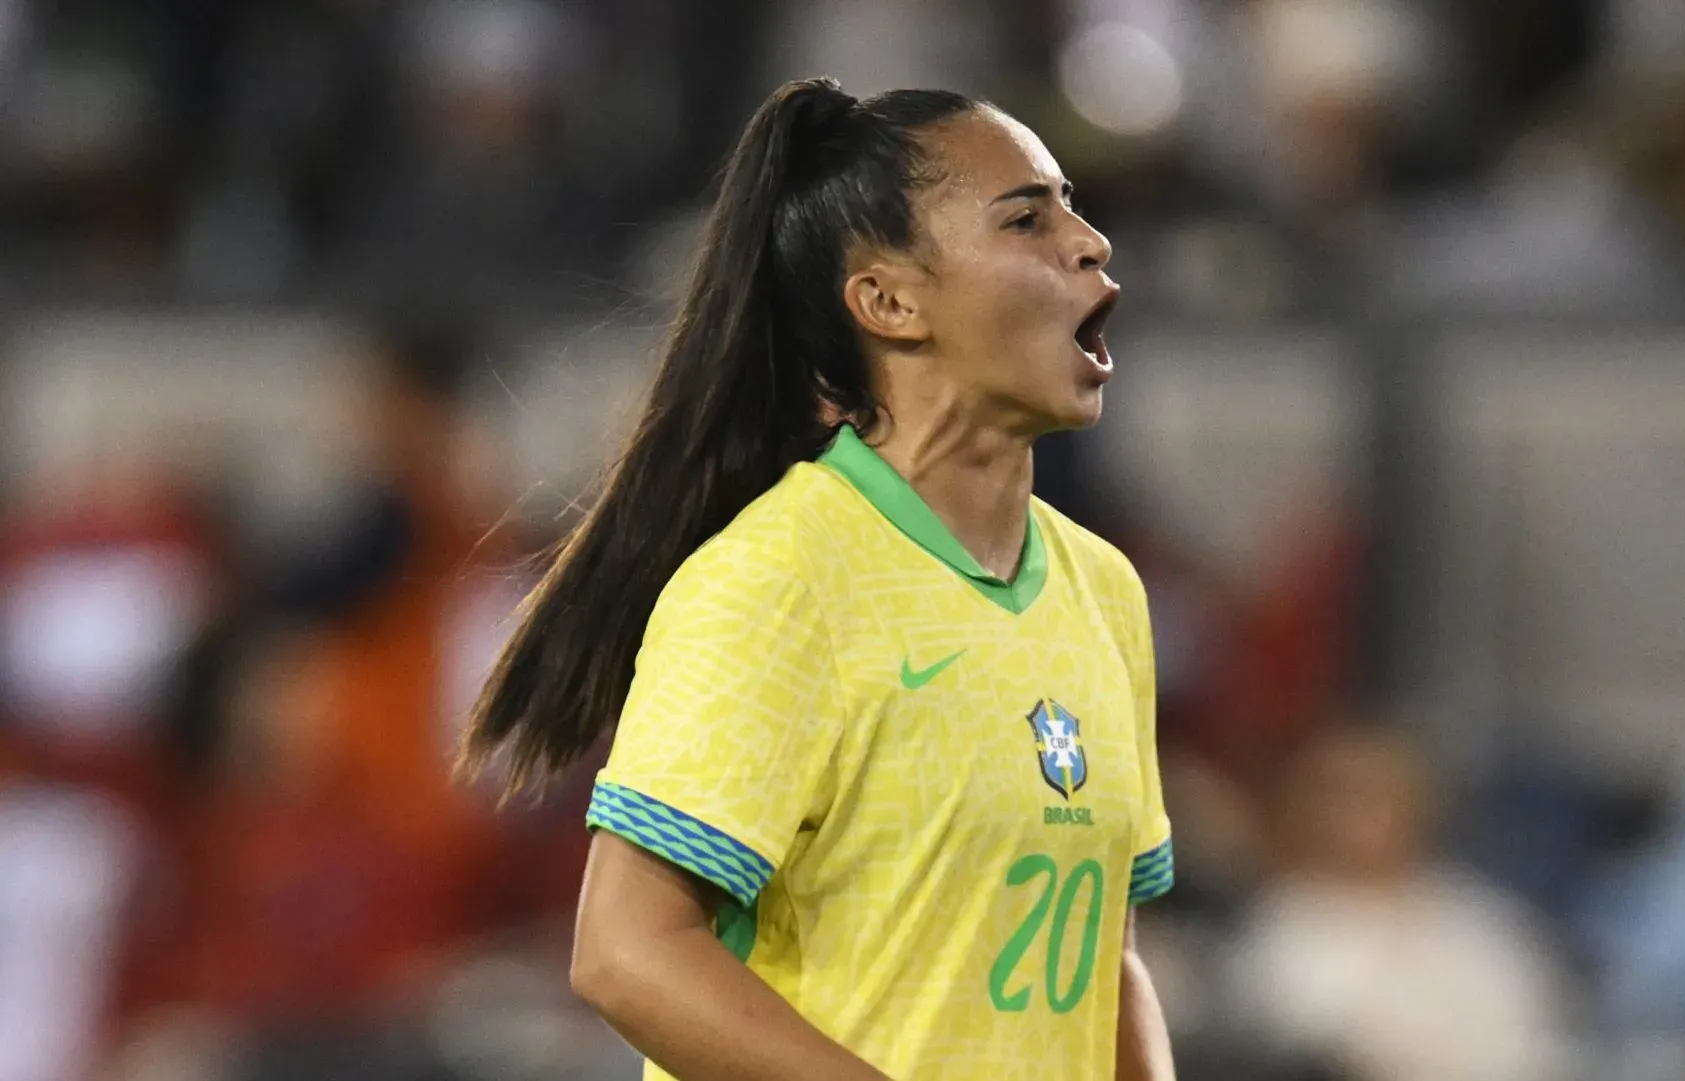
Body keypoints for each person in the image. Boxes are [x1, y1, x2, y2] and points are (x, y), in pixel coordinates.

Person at [459, 77, 1177, 1081]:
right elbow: (627, 953)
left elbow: (1106, 962)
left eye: (1073, 205)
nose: (1089, 240)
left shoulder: (1103, 589)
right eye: (1027, 217)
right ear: (889, 299)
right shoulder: (778, 580)